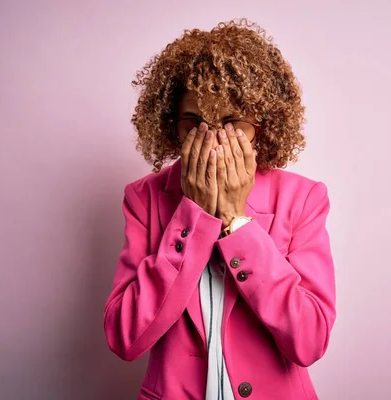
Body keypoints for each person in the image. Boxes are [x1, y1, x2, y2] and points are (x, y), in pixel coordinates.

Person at [103, 18, 336, 400]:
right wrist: (192, 213)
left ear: (260, 127)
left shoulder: (303, 198)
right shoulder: (143, 198)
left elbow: (309, 341)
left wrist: (234, 221)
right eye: (194, 122)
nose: (211, 140)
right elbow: (125, 338)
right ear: (171, 125)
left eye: (230, 123)